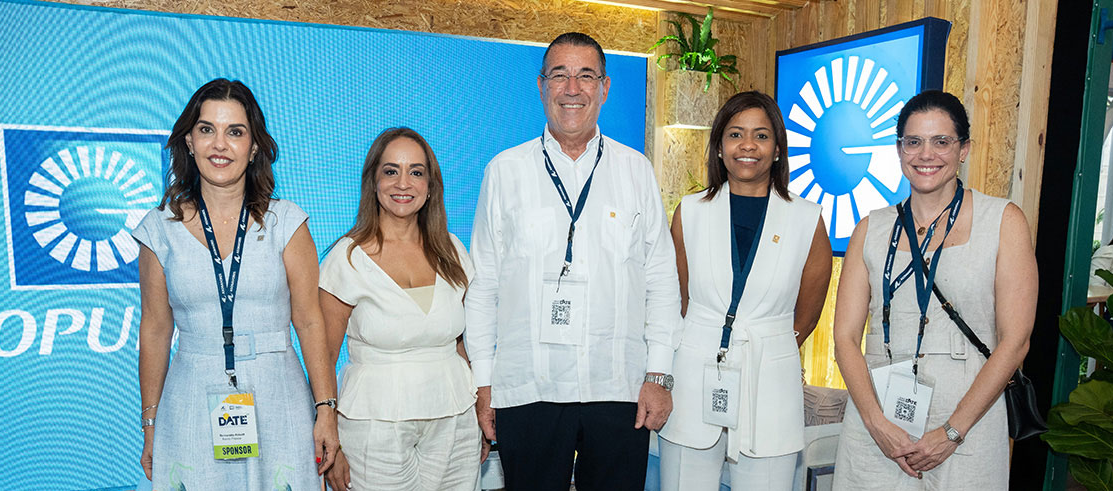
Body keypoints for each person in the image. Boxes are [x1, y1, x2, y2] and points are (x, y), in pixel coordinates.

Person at [463, 32, 683, 490]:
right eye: (559, 75)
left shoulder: (635, 170)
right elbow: (483, 287)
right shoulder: (505, 171)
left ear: (604, 88)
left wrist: (659, 375)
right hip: (528, 388)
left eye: (586, 76)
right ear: (541, 86)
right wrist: (484, 384)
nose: (572, 88)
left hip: (619, 388)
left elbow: (661, 279)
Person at [133, 78, 339, 489]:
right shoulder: (159, 229)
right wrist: (150, 423)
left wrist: (326, 409)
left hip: (279, 396)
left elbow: (309, 320)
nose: (220, 145)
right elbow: (155, 330)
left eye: (235, 132)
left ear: (254, 146)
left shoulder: (286, 223)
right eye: (207, 129)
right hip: (191, 398)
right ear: (189, 142)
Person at [831, 90, 1037, 489]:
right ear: (899, 150)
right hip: (878, 419)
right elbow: (844, 338)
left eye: (941, 141)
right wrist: (875, 422)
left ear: (964, 150)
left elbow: (1016, 341)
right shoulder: (870, 229)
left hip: (967, 419)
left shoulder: (1003, 222)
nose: (926, 154)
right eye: (914, 142)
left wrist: (952, 432)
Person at [657, 91, 832, 490]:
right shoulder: (690, 212)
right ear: (719, 147)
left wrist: (770, 343)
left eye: (761, 135)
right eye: (735, 134)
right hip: (693, 378)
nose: (748, 145)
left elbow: (807, 314)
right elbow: (677, 299)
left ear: (778, 149)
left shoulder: (807, 219)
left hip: (770, 384)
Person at [318, 127, 486, 490]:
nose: (403, 183)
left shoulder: (453, 251)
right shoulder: (346, 259)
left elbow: (460, 343)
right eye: (391, 171)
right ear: (373, 182)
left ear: (431, 186)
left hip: (457, 422)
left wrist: (481, 412)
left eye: (416, 172)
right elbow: (323, 357)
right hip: (375, 427)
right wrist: (328, 434)